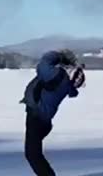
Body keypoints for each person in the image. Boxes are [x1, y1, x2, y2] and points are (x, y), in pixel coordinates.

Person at [19, 48, 85, 176]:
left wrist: (58, 56)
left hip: (37, 118)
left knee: (32, 155)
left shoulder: (58, 76)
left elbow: (43, 65)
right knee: (33, 154)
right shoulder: (64, 83)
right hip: (42, 121)